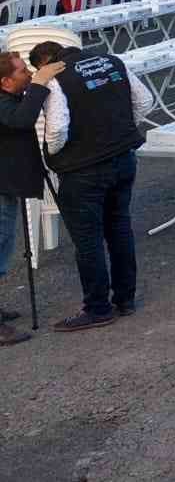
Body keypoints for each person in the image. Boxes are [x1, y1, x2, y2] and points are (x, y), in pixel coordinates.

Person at [28, 40, 153, 332]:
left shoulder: (56, 78)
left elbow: (57, 129)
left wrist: (55, 155)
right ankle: (125, 299)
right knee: (119, 227)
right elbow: (144, 101)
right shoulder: (112, 60)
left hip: (83, 169)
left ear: (45, 62)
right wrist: (119, 131)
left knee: (88, 240)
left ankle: (98, 308)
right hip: (123, 157)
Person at [0, 52, 66, 345]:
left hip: (7, 183)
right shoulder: (4, 104)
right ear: (4, 82)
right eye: (22, 72)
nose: (28, 74)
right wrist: (39, 84)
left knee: (4, 246)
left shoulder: (7, 99)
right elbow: (22, 120)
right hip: (3, 185)